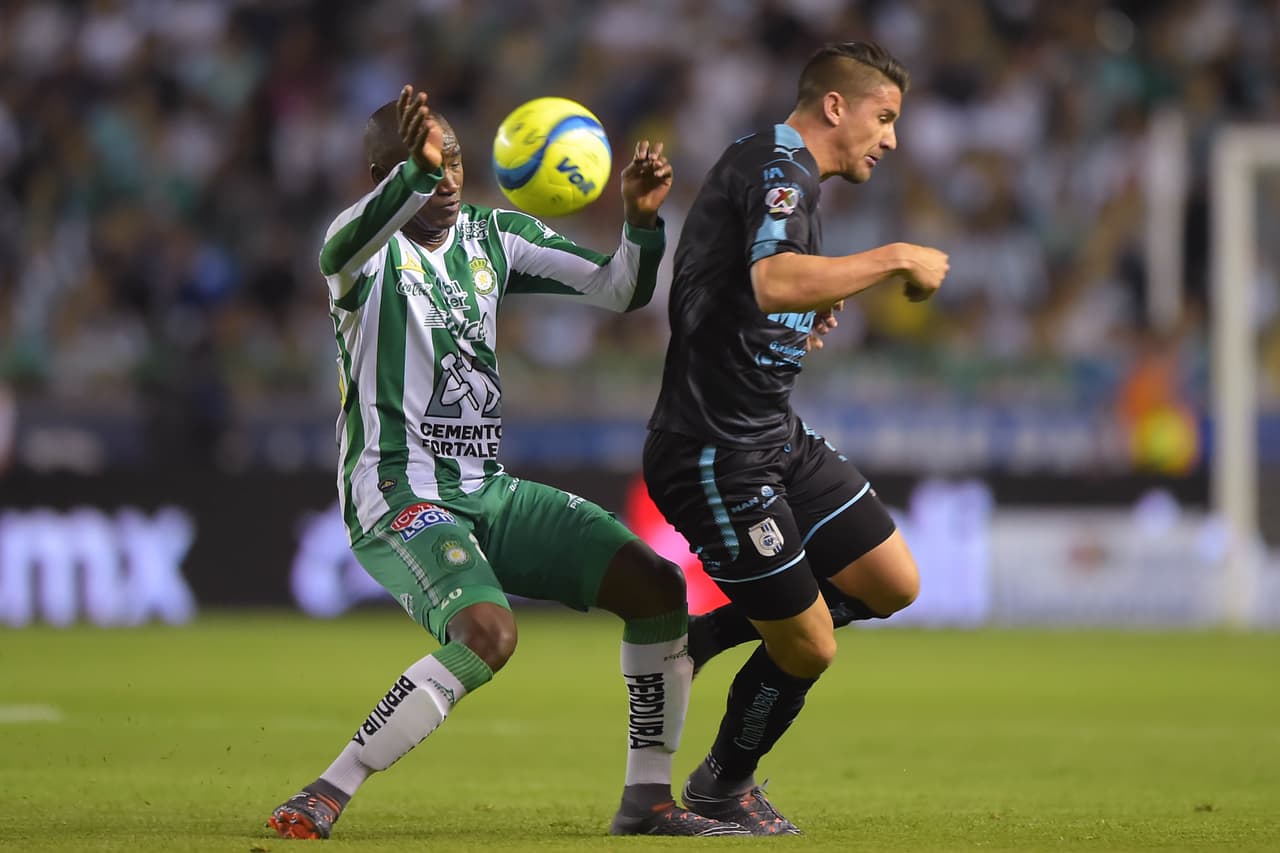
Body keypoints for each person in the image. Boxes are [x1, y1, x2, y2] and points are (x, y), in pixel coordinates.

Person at [267, 85, 748, 840]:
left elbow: (621, 289)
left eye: (453, 157)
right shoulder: (362, 254)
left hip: (486, 491)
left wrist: (640, 221)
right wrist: (414, 176)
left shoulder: (491, 236)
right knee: (488, 632)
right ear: (381, 175)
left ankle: (646, 800)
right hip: (397, 493)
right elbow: (336, 248)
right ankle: (329, 786)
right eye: (426, 162)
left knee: (655, 587)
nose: (448, 174)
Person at [643, 41, 950, 835]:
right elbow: (772, 278)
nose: (891, 139)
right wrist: (892, 257)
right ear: (836, 107)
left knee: (891, 580)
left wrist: (794, 314)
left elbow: (743, 286)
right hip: (715, 449)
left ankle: (705, 633)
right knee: (810, 646)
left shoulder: (776, 171)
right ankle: (721, 785)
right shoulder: (779, 169)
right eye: (883, 118)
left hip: (773, 435)